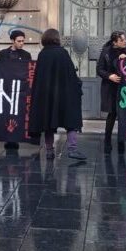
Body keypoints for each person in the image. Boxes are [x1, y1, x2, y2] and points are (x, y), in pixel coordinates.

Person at [28, 28, 86, 161]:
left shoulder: (43, 54)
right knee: (71, 120)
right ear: (56, 38)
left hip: (47, 96)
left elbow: (39, 78)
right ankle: (72, 149)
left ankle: (49, 151)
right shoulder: (62, 53)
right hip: (64, 95)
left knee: (48, 122)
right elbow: (71, 74)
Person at [96, 30, 126, 154]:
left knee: (123, 115)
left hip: (125, 87)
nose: (125, 41)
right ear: (115, 42)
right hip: (111, 88)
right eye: (121, 40)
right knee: (112, 114)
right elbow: (99, 69)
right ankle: (107, 142)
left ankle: (121, 142)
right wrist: (109, 76)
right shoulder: (106, 51)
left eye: (125, 39)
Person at [0, 30, 32, 151]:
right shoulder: (3, 53)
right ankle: (8, 138)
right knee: (7, 114)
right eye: (19, 41)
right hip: (7, 89)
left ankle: (15, 138)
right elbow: (0, 69)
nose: (21, 43)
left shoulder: (26, 55)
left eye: (23, 41)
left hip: (20, 89)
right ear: (12, 41)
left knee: (18, 114)